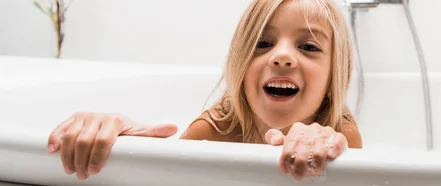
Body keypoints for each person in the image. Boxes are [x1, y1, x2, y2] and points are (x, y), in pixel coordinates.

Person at [46, 0, 363, 181]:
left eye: (308, 46)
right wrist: (116, 137)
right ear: (239, 64)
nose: (282, 56)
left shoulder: (339, 135)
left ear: (334, 77)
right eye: (262, 44)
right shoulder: (212, 131)